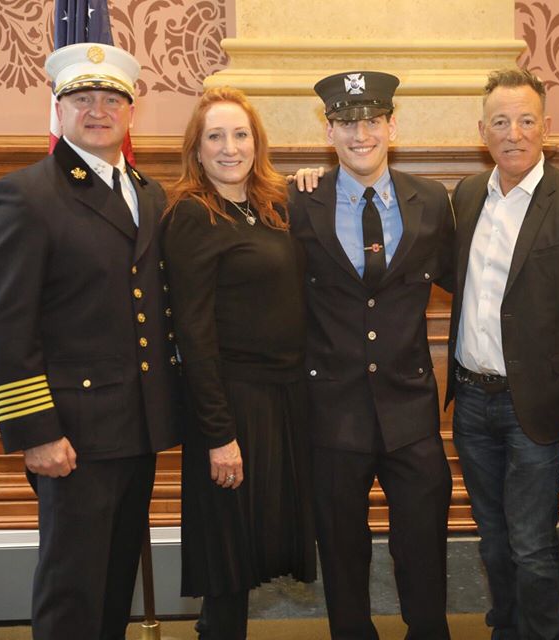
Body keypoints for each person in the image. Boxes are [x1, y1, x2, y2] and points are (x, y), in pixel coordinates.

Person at [0, 43, 182, 639]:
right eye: (81, 98)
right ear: (58, 109)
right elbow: (4, 325)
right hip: (71, 434)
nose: (97, 111)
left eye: (112, 99)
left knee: (113, 587)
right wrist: (36, 431)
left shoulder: (148, 193)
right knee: (72, 593)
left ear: (132, 111)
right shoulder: (26, 194)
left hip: (137, 427)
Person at [445, 67, 559, 640]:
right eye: (500, 122)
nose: (513, 133)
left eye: (525, 120)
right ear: (482, 132)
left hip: (537, 406)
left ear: (546, 126)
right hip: (472, 401)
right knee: (492, 539)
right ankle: (506, 628)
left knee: (532, 543)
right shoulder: (468, 195)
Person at [287, 71, 454, 639]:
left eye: (372, 121)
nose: (361, 134)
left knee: (424, 543)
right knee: (340, 547)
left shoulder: (430, 200)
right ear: (328, 132)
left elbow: (467, 281)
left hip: (410, 407)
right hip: (332, 408)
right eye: (346, 123)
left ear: (392, 126)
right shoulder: (298, 200)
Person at [162, 86, 316, 640]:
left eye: (240, 134)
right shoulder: (191, 215)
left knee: (256, 543)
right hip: (232, 403)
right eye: (216, 137)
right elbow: (194, 334)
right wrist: (218, 434)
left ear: (257, 142)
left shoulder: (272, 207)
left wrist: (311, 180)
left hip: (285, 397)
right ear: (197, 150)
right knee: (227, 558)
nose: (230, 148)